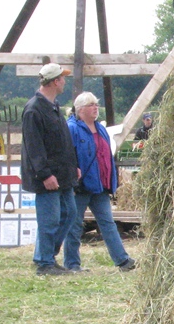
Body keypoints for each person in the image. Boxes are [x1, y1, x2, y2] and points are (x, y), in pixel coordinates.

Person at [65, 92, 137, 272]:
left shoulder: (101, 129)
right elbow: (67, 155)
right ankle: (72, 264)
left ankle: (123, 261)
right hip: (80, 186)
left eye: (96, 104)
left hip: (100, 186)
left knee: (108, 223)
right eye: (91, 105)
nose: (95, 108)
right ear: (80, 109)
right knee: (74, 225)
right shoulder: (72, 128)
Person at [21, 63, 78, 276]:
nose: (64, 82)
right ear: (55, 81)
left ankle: (46, 256)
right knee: (50, 220)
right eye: (62, 78)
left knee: (69, 213)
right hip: (48, 176)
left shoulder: (53, 107)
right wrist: (45, 174)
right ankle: (45, 263)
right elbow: (34, 147)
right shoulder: (34, 109)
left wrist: (73, 167)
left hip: (63, 174)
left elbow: (63, 142)